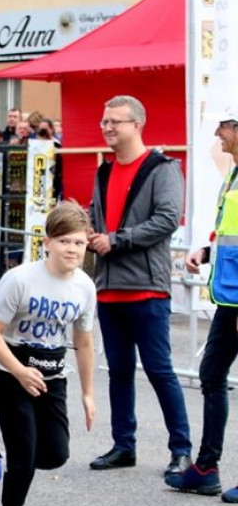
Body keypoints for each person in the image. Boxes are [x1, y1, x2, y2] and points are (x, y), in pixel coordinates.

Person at [0, 201, 97, 506]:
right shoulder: (20, 280)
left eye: (79, 243)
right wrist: (18, 370)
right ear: (47, 242)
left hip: (52, 375)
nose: (72, 249)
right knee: (24, 457)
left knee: (55, 455)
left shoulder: (85, 288)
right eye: (64, 241)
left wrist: (88, 394)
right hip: (11, 370)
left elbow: (84, 342)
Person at [87, 95, 192, 474]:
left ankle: (181, 450)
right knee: (118, 370)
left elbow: (167, 220)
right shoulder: (104, 171)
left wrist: (116, 239)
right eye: (104, 122)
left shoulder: (162, 168)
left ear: (137, 125)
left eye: (115, 121)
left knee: (159, 369)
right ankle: (123, 445)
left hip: (147, 287)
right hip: (108, 287)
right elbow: (96, 215)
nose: (107, 128)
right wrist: (82, 229)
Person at [167, 109, 238, 502]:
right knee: (211, 375)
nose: (217, 133)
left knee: (213, 375)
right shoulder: (234, 174)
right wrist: (206, 252)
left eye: (224, 127)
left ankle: (207, 466)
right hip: (229, 297)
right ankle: (206, 468)